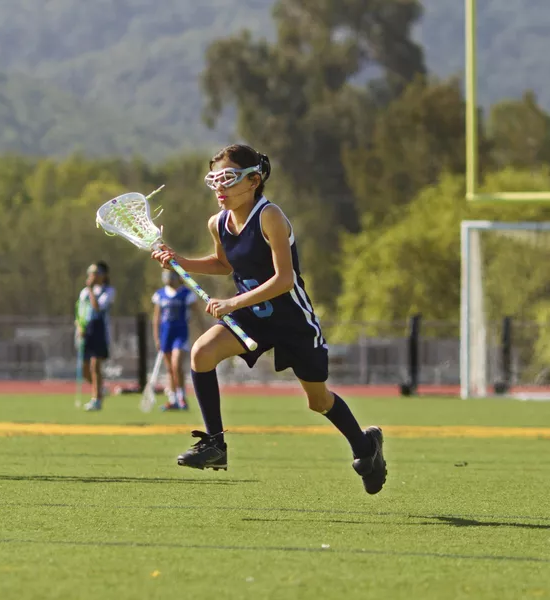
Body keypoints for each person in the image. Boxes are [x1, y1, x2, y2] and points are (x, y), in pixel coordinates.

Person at [151, 144, 387, 494]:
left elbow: (284, 280)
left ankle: (366, 446)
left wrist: (231, 302)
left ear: (254, 180)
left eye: (228, 179)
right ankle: (215, 444)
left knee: (318, 401)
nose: (220, 188)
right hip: (251, 316)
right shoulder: (218, 223)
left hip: (292, 319)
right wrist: (180, 261)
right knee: (201, 353)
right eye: (213, 180)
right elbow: (225, 265)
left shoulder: (270, 216)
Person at [152, 271, 198, 411]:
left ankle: (182, 397)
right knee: (169, 368)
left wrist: (202, 333)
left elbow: (197, 315)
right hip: (166, 334)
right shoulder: (160, 294)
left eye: (170, 275)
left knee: (176, 364)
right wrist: (157, 338)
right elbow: (156, 319)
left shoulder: (186, 294)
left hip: (180, 334)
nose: (167, 278)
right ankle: (173, 399)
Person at [75, 261, 116, 412]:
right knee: (85, 368)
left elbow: (98, 308)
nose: (92, 275)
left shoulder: (108, 291)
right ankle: (100, 388)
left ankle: (96, 399)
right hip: (87, 332)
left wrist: (91, 289)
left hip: (100, 331)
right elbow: (80, 312)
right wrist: (79, 327)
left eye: (96, 272)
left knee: (95, 365)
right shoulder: (83, 292)